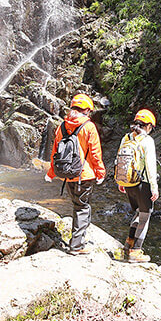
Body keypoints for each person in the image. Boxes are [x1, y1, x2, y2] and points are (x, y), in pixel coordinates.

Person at [45, 94, 105, 254]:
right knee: (82, 207)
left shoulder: (62, 126)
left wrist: (51, 173)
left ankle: (77, 242)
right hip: (84, 175)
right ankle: (77, 246)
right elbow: (95, 153)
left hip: (66, 173)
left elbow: (55, 152)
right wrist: (100, 172)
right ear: (86, 110)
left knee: (77, 205)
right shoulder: (89, 127)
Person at [116, 109, 158, 262]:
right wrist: (154, 187)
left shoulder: (126, 138)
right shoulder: (147, 141)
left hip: (128, 182)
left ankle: (128, 244)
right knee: (145, 216)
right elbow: (151, 166)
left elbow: (119, 160)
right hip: (143, 184)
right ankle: (136, 252)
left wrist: (120, 181)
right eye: (150, 127)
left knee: (138, 213)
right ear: (147, 125)